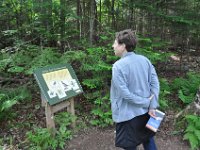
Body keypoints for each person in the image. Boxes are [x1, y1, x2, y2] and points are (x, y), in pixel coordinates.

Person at [110, 29, 160, 150]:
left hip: (127, 115)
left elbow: (125, 94)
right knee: (147, 139)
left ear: (123, 46)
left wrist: (147, 103)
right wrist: (151, 106)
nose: (113, 46)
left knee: (130, 145)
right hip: (147, 112)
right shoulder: (145, 60)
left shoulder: (118, 66)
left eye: (115, 43)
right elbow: (155, 84)